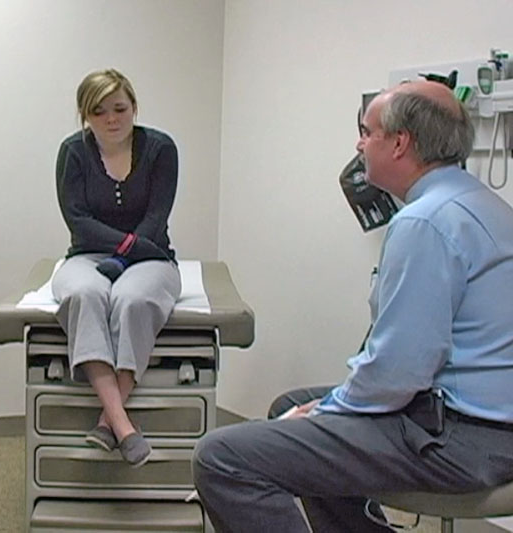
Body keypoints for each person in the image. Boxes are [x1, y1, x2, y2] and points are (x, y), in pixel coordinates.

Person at [193, 80, 513, 532]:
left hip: (461, 440)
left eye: (367, 132)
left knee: (222, 457)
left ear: (400, 143)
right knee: (291, 404)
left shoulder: (425, 222)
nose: (359, 145)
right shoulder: (482, 204)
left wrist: (327, 410)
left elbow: (398, 371)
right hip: (487, 423)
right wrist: (324, 407)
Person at [52, 68, 182, 468]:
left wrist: (126, 257)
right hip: (87, 256)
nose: (112, 119)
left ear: (134, 108)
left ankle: (107, 422)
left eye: (120, 108)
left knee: (133, 299)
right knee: (84, 294)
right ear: (84, 116)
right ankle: (123, 425)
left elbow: (156, 218)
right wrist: (122, 248)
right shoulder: (73, 152)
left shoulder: (161, 149)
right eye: (99, 111)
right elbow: (78, 220)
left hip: (151, 255)